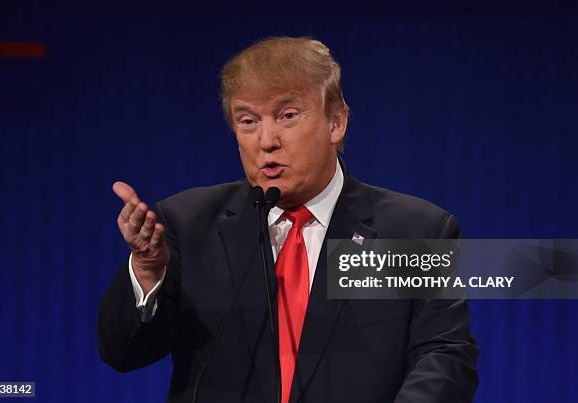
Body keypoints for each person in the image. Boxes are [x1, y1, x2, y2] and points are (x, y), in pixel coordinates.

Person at [98, 36, 479, 403]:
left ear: (336, 123)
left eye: (287, 115)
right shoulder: (187, 224)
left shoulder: (414, 231)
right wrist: (147, 272)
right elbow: (123, 354)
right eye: (247, 121)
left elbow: (444, 356)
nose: (267, 140)